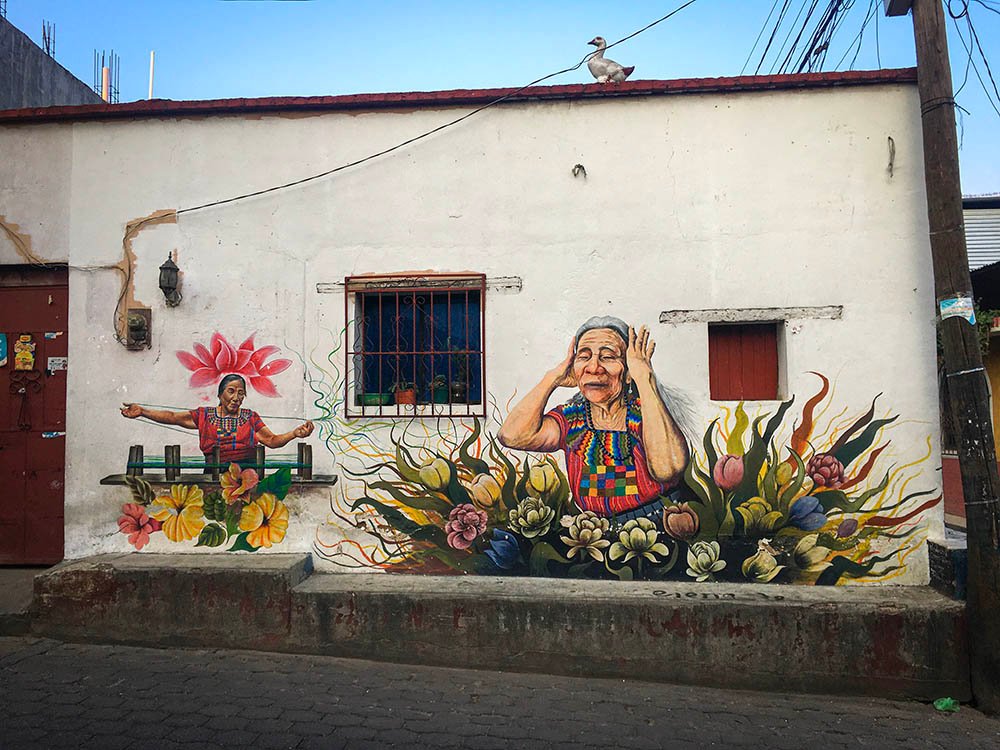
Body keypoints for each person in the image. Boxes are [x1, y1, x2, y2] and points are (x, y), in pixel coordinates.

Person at [499, 316, 689, 522]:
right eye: (584, 357)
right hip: (594, 533)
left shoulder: (647, 413)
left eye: (607, 357)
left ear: (627, 372)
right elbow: (512, 436)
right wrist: (552, 378)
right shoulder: (572, 419)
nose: (594, 367)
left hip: (659, 525)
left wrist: (643, 378)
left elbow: (667, 470)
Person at [120, 373, 314, 467]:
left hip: (248, 477)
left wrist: (294, 434)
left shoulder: (250, 417)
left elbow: (271, 441)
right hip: (212, 477)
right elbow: (172, 417)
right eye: (231, 391)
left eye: (241, 393)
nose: (236, 397)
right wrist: (143, 411)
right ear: (220, 394)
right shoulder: (205, 416)